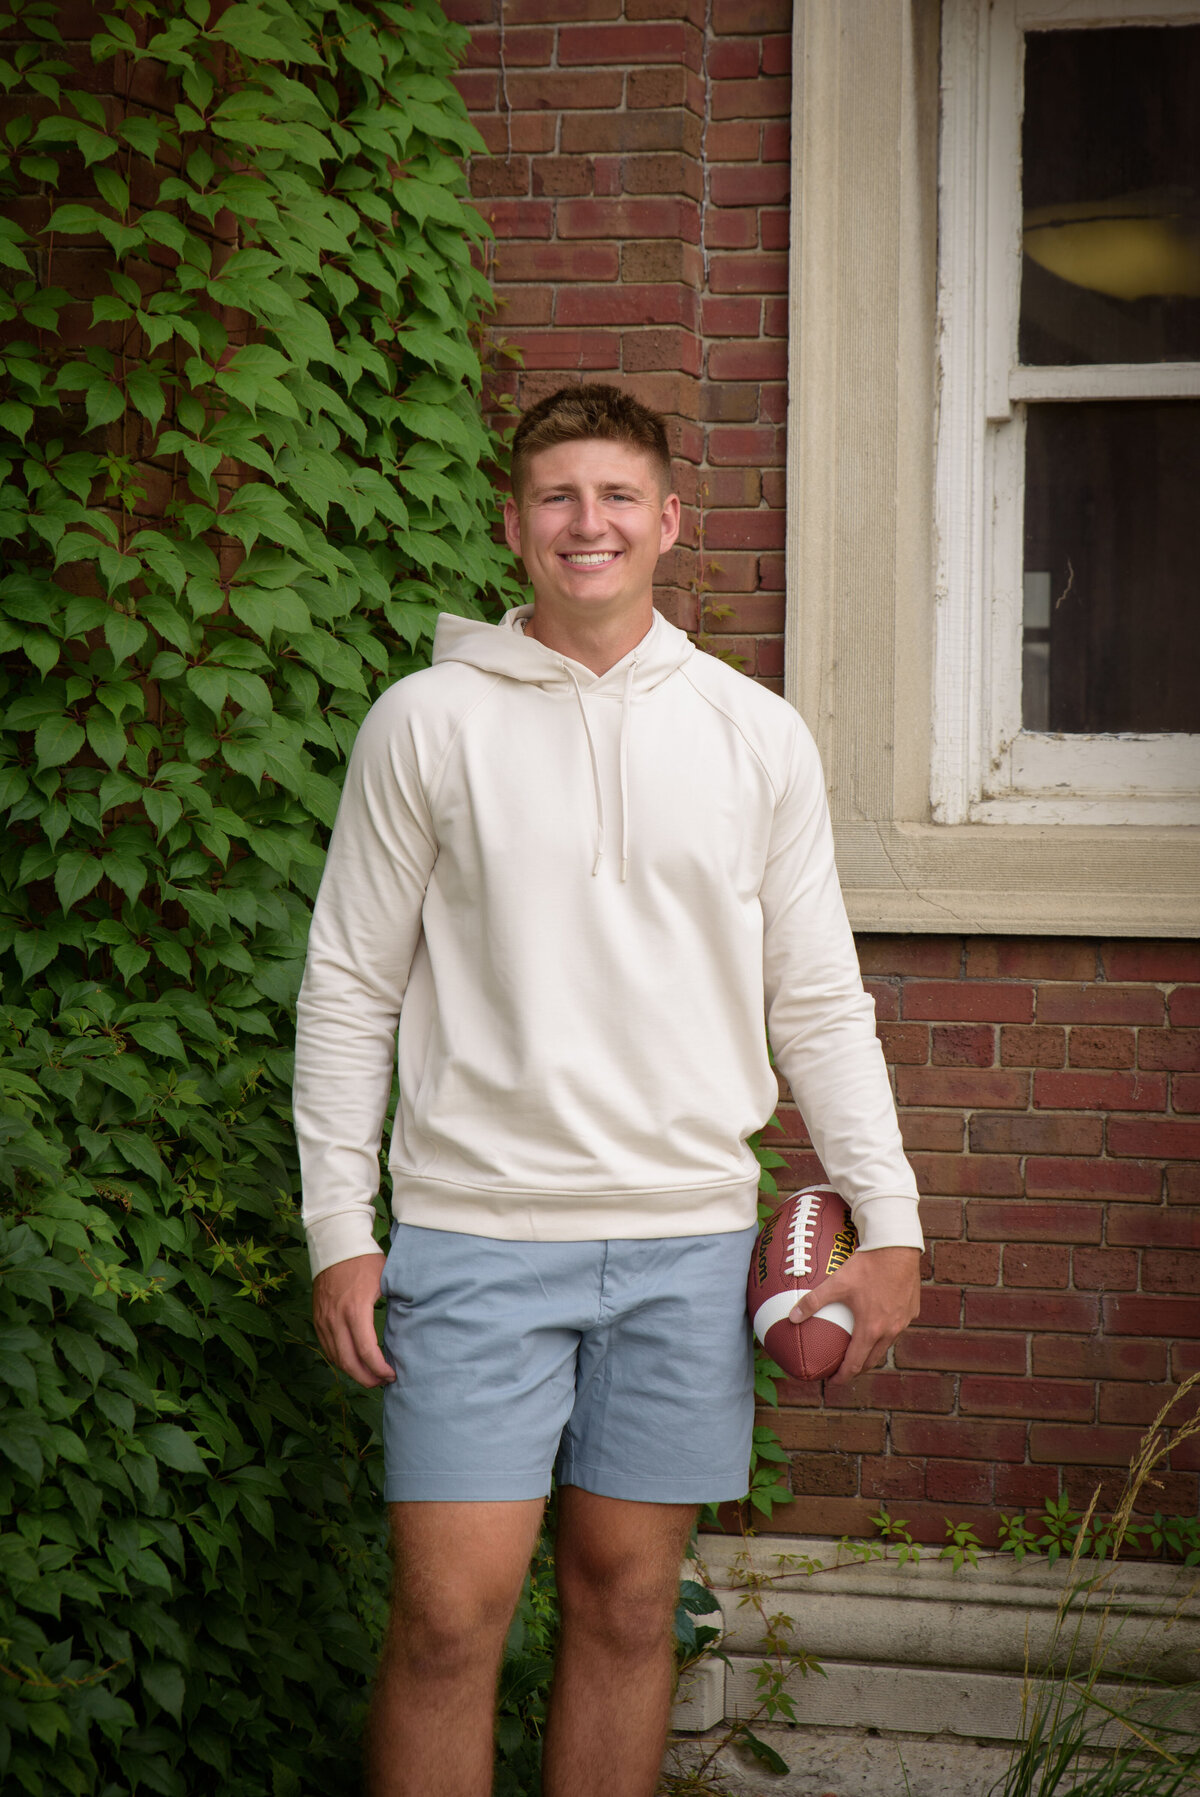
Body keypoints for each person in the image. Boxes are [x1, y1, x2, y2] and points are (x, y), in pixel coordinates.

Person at [293, 384, 923, 1797]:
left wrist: (893, 1219)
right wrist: (341, 1219)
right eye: (560, 497)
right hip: (472, 1234)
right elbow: (348, 983)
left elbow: (817, 997)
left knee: (633, 1608)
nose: (591, 522)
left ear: (669, 522)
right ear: (516, 527)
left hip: (687, 1243)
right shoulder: (425, 723)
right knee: (450, 1621)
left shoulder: (757, 735)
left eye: (619, 496)